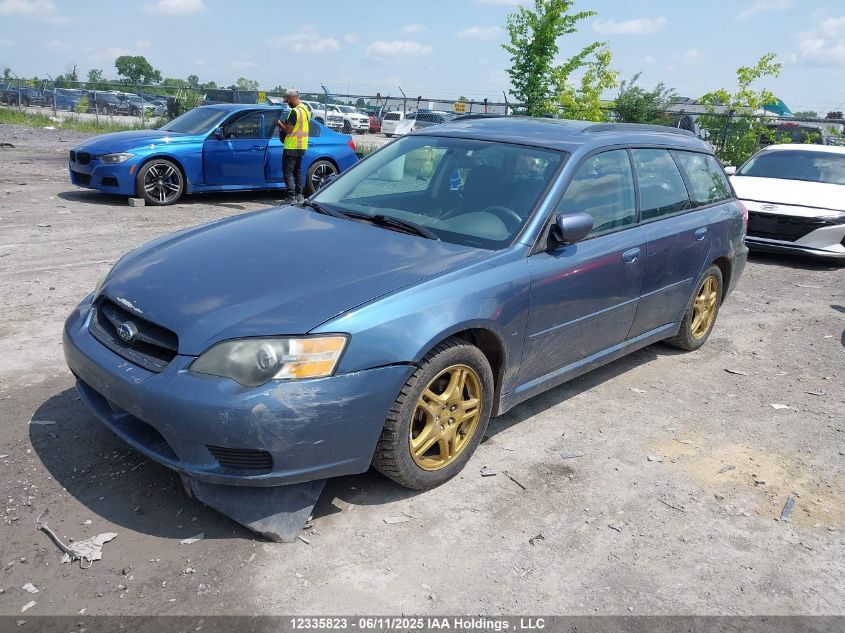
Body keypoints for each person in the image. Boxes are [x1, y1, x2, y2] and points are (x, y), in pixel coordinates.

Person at [275, 88, 311, 204]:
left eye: (287, 100)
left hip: (292, 146)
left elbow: (288, 130)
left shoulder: (295, 111)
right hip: (301, 145)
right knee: (297, 171)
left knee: (288, 172)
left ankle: (291, 197)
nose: (287, 103)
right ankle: (299, 196)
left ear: (292, 98)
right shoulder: (305, 109)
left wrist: (278, 123)